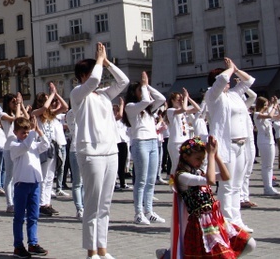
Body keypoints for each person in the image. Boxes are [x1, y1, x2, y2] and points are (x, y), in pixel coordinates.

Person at [70, 42, 129, 259]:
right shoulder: (78, 94)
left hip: (110, 151)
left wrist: (108, 63)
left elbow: (124, 81)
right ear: (83, 76)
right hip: (90, 153)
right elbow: (95, 79)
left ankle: (103, 249)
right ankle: (91, 251)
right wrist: (98, 62)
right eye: (96, 70)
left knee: (105, 205)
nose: (101, 77)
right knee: (92, 205)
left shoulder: (104, 95)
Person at [169, 136, 255, 258]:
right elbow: (210, 180)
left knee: (249, 244)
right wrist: (210, 156)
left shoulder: (199, 172)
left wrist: (216, 155)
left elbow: (226, 176)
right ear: (185, 157)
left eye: (202, 159)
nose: (200, 162)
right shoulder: (182, 176)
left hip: (216, 219)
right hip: (201, 223)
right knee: (222, 255)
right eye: (198, 158)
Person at [203, 57, 255, 233]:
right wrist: (229, 70)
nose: (230, 82)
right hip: (226, 145)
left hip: (241, 144)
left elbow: (249, 81)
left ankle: (237, 220)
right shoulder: (212, 95)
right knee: (227, 184)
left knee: (238, 184)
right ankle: (226, 221)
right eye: (228, 79)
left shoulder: (233, 95)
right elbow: (222, 80)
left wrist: (236, 69)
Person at [123, 71, 167, 225]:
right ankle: (138, 213)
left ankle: (149, 211)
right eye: (140, 90)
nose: (144, 92)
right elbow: (146, 100)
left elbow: (161, 99)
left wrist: (147, 85)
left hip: (153, 142)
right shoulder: (131, 107)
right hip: (140, 143)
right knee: (141, 180)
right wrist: (143, 86)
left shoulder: (148, 109)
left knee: (151, 180)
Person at [9, 116, 51, 258]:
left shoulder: (32, 144)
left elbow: (46, 145)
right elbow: (25, 146)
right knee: (19, 217)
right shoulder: (15, 145)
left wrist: (39, 131)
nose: (26, 135)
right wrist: (32, 132)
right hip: (21, 184)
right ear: (15, 132)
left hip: (34, 184)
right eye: (23, 132)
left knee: (33, 216)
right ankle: (18, 246)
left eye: (27, 132)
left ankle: (32, 243)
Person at [32, 83, 68, 217]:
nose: (52, 103)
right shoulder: (35, 114)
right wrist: (52, 94)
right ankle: (41, 203)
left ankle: (47, 203)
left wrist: (56, 94)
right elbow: (44, 108)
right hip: (41, 146)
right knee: (43, 176)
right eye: (49, 100)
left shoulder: (50, 115)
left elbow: (65, 107)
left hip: (52, 146)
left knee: (50, 177)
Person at [166, 89, 200, 175]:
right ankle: (173, 184)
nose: (181, 101)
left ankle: (181, 184)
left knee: (185, 164)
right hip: (175, 142)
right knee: (176, 164)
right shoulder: (170, 110)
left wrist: (188, 98)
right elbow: (184, 109)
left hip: (185, 140)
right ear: (172, 101)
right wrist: (184, 98)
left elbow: (197, 109)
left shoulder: (183, 110)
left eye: (181, 99)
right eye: (178, 100)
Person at [253, 96, 280, 196]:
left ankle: (270, 186)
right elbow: (270, 115)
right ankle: (267, 187)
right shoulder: (257, 114)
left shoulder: (266, 113)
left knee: (270, 166)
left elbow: (279, 117)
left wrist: (277, 105)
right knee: (266, 165)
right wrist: (273, 106)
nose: (266, 107)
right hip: (263, 141)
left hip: (270, 140)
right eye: (265, 105)